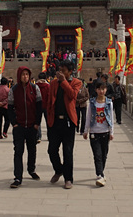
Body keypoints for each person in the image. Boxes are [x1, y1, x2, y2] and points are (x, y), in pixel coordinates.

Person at [46, 60, 82, 189]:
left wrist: (64, 81)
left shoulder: (76, 82)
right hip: (55, 122)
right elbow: (50, 100)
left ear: (70, 72)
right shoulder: (54, 83)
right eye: (60, 70)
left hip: (68, 122)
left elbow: (72, 95)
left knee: (67, 151)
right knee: (51, 150)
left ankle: (68, 178)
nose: (60, 73)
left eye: (64, 70)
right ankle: (59, 169)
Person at [8, 66, 42, 188]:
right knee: (18, 151)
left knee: (32, 150)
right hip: (20, 126)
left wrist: (37, 123)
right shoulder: (14, 90)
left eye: (27, 74)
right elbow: (10, 108)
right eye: (23, 74)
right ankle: (17, 177)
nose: (25, 77)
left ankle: (31, 170)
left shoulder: (35, 88)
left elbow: (39, 107)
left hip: (32, 126)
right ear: (19, 76)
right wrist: (14, 123)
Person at [84, 81, 114, 187]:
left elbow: (111, 118)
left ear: (106, 90)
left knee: (104, 154)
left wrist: (111, 132)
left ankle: (101, 172)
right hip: (94, 132)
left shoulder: (109, 103)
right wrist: (85, 130)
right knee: (97, 155)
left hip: (105, 131)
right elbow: (88, 117)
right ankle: (100, 175)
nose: (101, 91)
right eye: (99, 89)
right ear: (96, 90)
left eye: (103, 89)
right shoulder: (92, 102)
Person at [35, 73, 50, 143]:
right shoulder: (48, 86)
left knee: (38, 122)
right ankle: (49, 136)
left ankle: (38, 136)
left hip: (38, 106)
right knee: (48, 122)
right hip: (47, 106)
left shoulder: (35, 86)